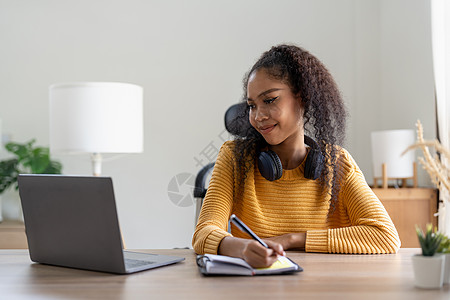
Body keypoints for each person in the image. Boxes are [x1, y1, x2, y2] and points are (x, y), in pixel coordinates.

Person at [192, 44, 401, 268]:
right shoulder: (233, 158)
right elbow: (204, 233)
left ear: (302, 98)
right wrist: (242, 248)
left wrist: (290, 240)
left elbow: (385, 235)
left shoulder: (337, 163)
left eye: (270, 100)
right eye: (252, 106)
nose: (258, 116)